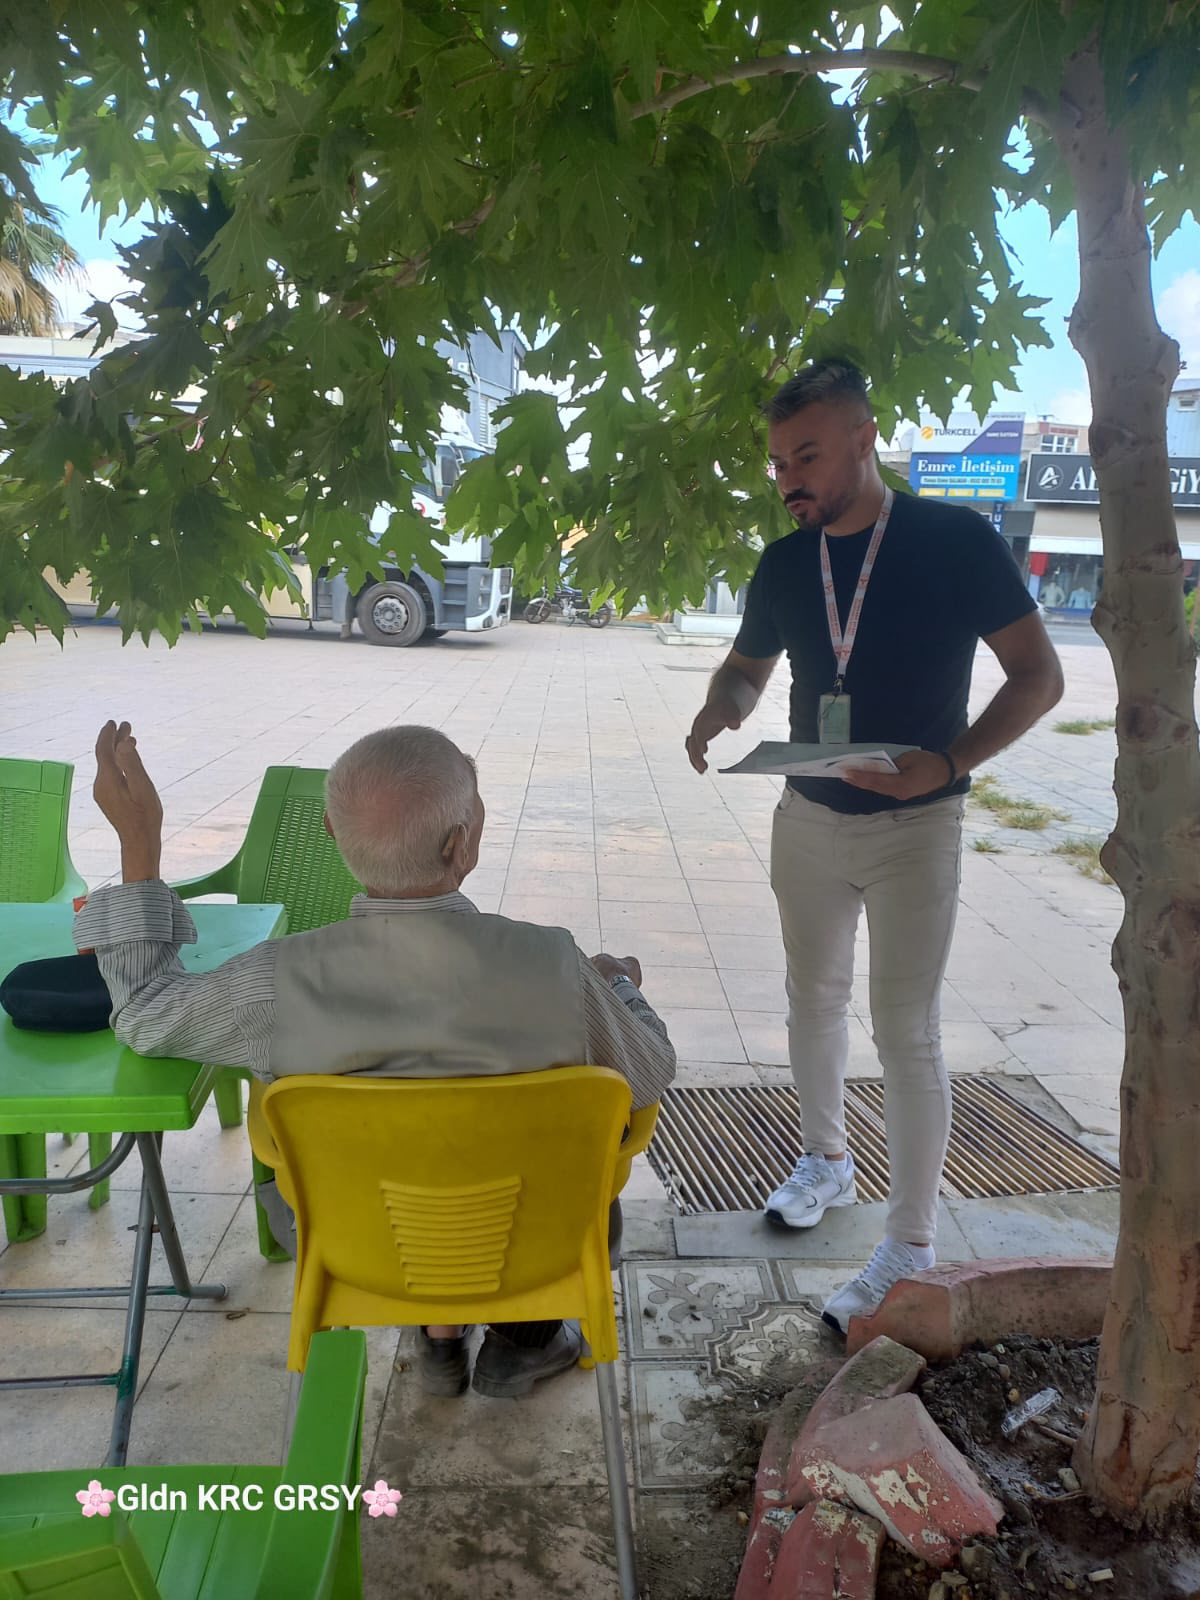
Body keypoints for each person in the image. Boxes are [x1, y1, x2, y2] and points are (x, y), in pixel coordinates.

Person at [80, 721, 676, 1397]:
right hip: (533, 1241)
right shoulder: (557, 968)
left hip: (356, 1244)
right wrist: (619, 984)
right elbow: (650, 1068)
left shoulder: (276, 981)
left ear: (333, 839)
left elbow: (144, 1014)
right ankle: (525, 1340)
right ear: (463, 843)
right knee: (581, 1164)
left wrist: (139, 839)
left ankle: (438, 1337)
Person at [686, 359, 1063, 1335]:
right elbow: (743, 670)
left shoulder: (954, 541)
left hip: (916, 825)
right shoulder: (784, 562)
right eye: (777, 464)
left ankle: (911, 1241)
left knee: (907, 1028)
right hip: (808, 816)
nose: (789, 480)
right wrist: (718, 711)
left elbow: (1038, 678)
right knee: (810, 999)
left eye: (806, 455)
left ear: (865, 437)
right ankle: (825, 1158)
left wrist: (947, 763)